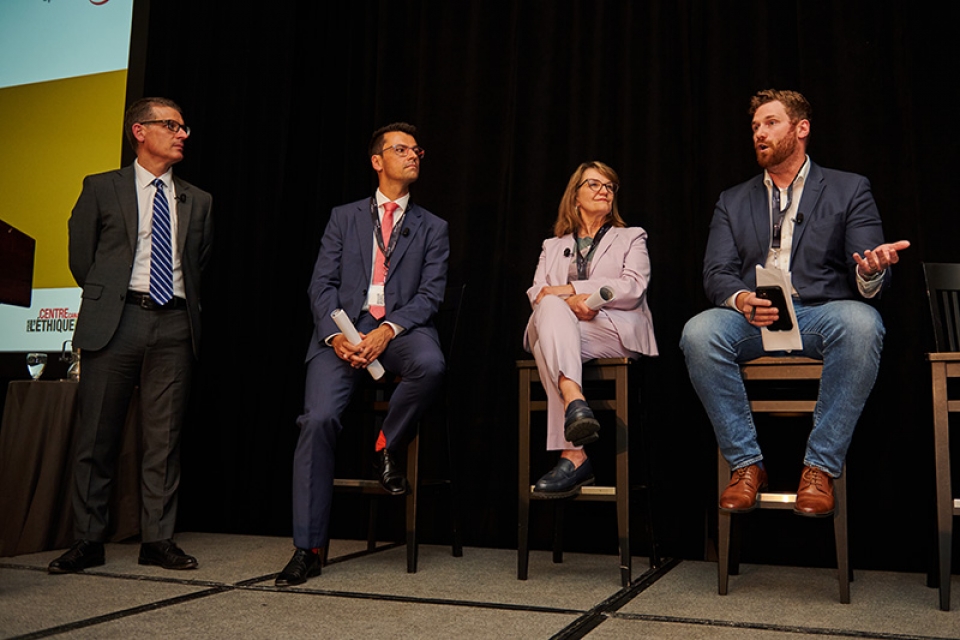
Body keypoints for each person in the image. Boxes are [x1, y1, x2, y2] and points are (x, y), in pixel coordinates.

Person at [680, 89, 909, 517]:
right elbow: (717, 273)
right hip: (755, 317)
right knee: (699, 332)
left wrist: (871, 269)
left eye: (770, 123)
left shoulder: (849, 188)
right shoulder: (732, 200)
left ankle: (819, 468)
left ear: (801, 129)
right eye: (754, 127)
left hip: (819, 313)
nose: (759, 134)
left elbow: (867, 266)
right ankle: (746, 465)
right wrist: (741, 298)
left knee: (862, 324)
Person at [275, 123, 449, 586]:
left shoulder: (433, 227)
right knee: (316, 421)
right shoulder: (344, 217)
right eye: (402, 149)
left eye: (417, 149)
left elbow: (431, 295)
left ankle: (385, 444)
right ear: (378, 161)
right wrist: (338, 336)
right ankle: (307, 548)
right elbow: (320, 284)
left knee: (430, 365)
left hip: (400, 330)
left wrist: (389, 329)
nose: (413, 155)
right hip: (341, 334)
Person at [49, 98, 213, 573]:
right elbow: (83, 258)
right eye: (171, 125)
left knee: (164, 438)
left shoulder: (198, 200)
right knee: (96, 434)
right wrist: (111, 300)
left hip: (176, 323)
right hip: (116, 320)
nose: (182, 134)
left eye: (184, 127)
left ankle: (157, 540)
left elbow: (198, 262)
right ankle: (88, 540)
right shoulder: (101, 187)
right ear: (140, 132)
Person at [523, 161, 658, 497]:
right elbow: (537, 293)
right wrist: (564, 303)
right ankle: (575, 413)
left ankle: (573, 445)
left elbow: (632, 287)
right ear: (575, 197)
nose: (604, 191)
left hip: (614, 328)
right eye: (594, 185)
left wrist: (570, 291)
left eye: (609, 187)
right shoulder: (551, 245)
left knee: (546, 343)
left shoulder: (631, 236)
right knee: (550, 317)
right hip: (564, 329)